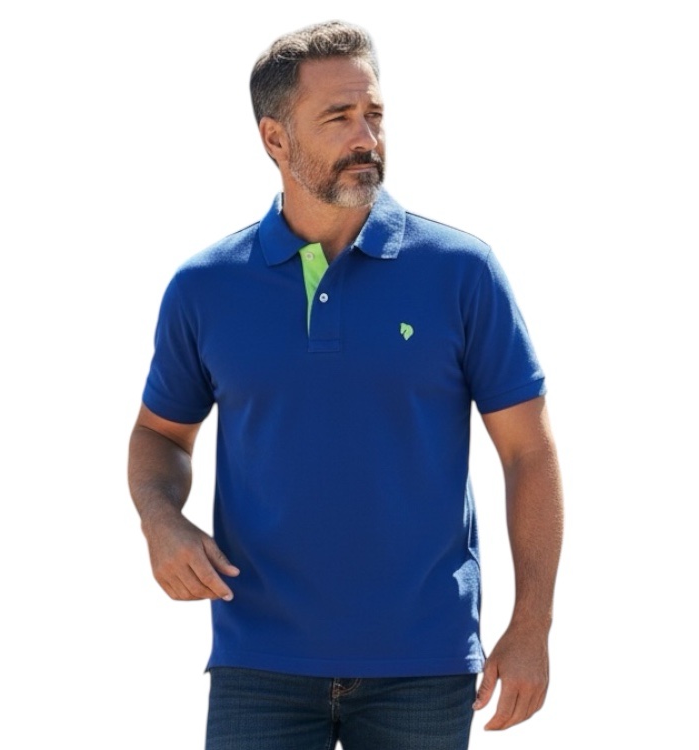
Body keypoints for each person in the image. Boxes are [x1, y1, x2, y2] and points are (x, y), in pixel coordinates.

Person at [128, 20, 563, 750]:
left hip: (423, 664)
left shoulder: (461, 272)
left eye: (375, 114)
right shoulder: (205, 288)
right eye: (338, 117)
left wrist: (532, 625)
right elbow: (158, 435)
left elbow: (529, 454)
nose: (367, 137)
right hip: (259, 662)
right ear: (275, 139)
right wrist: (160, 520)